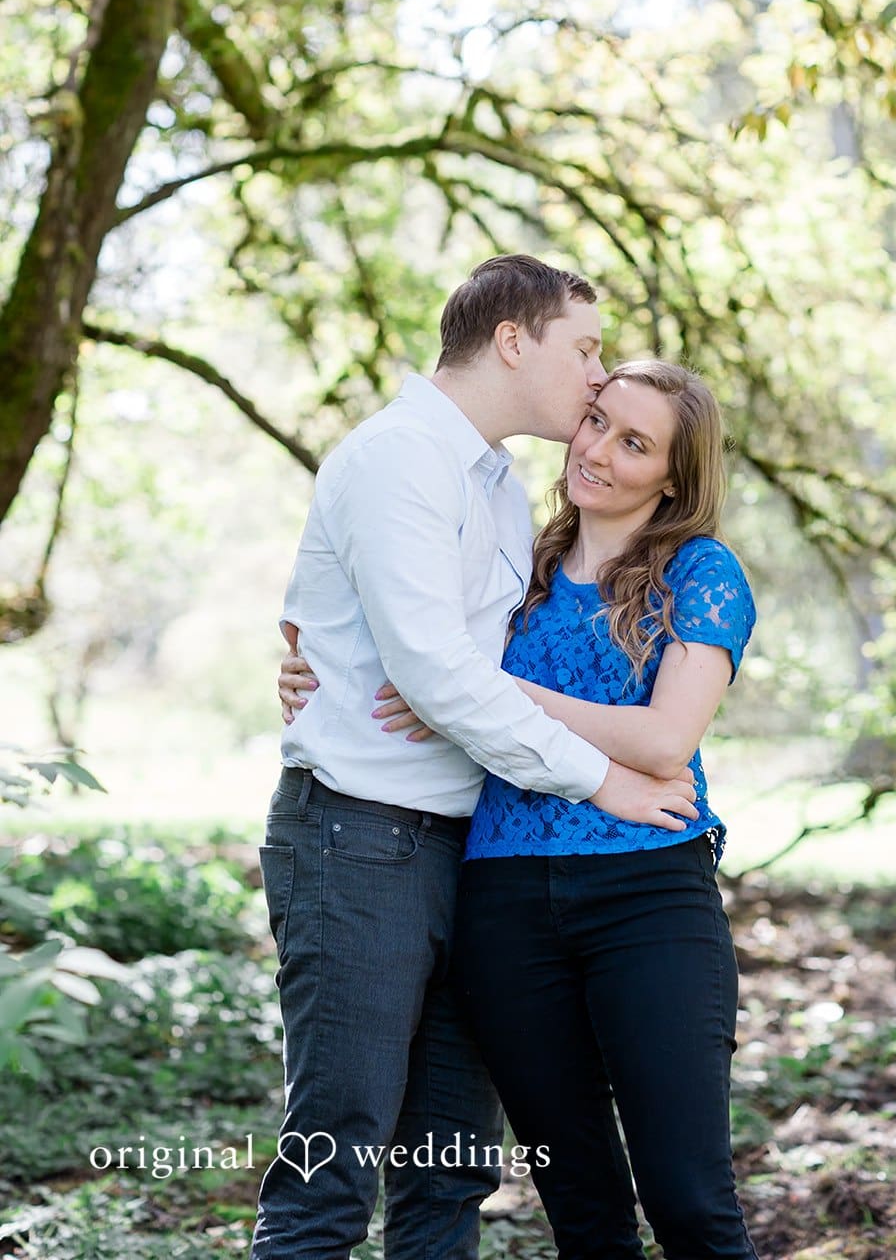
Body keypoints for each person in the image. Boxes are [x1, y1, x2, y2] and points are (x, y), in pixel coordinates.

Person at [254, 256, 699, 1260]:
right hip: (359, 836)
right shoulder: (395, 458)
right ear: (511, 340)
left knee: (449, 1163)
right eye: (582, 349)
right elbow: (430, 669)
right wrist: (607, 783)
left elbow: (465, 664)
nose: (596, 376)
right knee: (335, 1158)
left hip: (479, 852)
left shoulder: (498, 484)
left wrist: (381, 669)